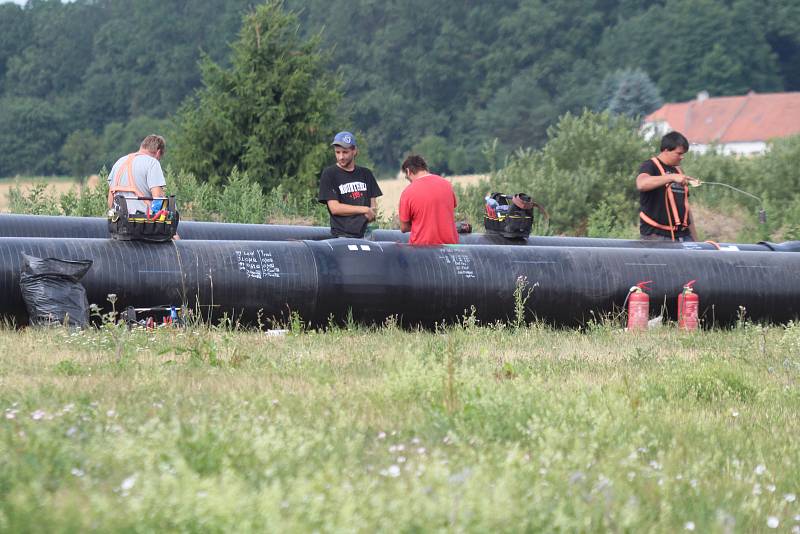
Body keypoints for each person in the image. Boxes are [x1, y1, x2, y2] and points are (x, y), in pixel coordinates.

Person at [636, 131, 699, 241]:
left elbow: (686, 209)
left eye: (683, 154)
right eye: (679, 153)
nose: (682, 157)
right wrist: (671, 177)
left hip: (683, 236)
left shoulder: (679, 171)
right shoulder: (650, 165)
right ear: (666, 150)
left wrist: (696, 240)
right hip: (656, 236)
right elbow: (641, 184)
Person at [318, 131, 382, 238]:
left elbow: (373, 208)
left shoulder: (366, 174)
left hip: (365, 234)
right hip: (341, 235)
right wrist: (364, 210)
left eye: (345, 152)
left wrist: (371, 213)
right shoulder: (329, 174)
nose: (341, 157)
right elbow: (335, 208)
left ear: (354, 151)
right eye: (337, 152)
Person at [398, 154, 458, 245]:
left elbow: (403, 228)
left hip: (422, 250)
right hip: (451, 247)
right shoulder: (447, 184)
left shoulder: (407, 193)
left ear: (408, 171)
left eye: (407, 178)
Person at [107, 134, 167, 215]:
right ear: (158, 152)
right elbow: (157, 198)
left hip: (118, 221)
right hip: (142, 222)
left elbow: (110, 202)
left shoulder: (119, 162)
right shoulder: (153, 163)